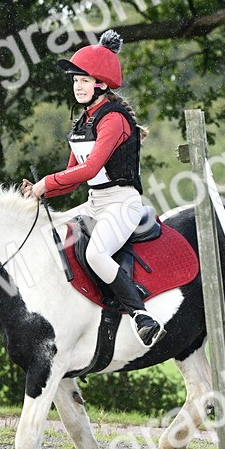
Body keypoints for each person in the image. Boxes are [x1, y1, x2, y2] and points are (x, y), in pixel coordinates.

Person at [22, 29, 165, 347]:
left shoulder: (112, 120)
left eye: (84, 80)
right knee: (49, 240)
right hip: (93, 202)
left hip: (121, 203)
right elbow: (74, 174)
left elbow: (91, 168)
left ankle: (141, 316)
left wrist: (46, 183)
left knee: (97, 254)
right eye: (75, 81)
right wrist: (39, 191)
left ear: (101, 83)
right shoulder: (83, 122)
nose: (78, 86)